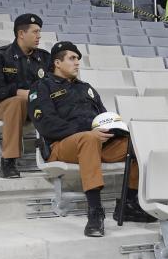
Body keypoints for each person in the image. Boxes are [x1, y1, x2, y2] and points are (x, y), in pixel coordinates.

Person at [28, 42, 146, 237]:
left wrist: (115, 130)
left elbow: (103, 116)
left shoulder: (86, 88)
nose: (77, 63)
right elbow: (46, 124)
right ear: (57, 62)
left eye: (78, 59)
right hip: (60, 145)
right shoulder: (41, 87)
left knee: (136, 144)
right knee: (89, 139)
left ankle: (129, 204)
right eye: (72, 58)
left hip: (95, 142)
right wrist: (88, 132)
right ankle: (95, 211)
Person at [0, 13, 52, 178]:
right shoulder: (0, 55)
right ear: (21, 34)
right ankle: (8, 160)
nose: (39, 36)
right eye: (35, 32)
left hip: (34, 107)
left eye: (39, 32)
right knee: (17, 102)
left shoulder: (45, 58)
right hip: (2, 107)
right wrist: (18, 92)